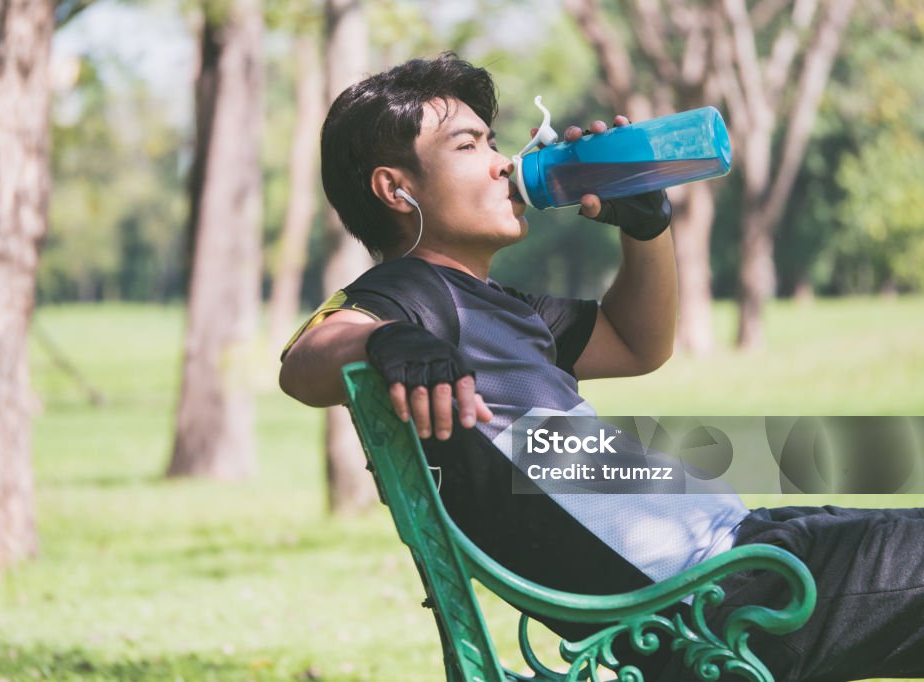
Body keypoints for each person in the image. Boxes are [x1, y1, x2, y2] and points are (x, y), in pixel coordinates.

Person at [279, 54, 924, 681]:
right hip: (718, 603)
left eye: (492, 140)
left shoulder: (495, 306)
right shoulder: (413, 292)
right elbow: (307, 358)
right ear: (396, 189)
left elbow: (637, 342)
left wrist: (645, 228)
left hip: (744, 558)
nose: (505, 162)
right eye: (468, 146)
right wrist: (386, 343)